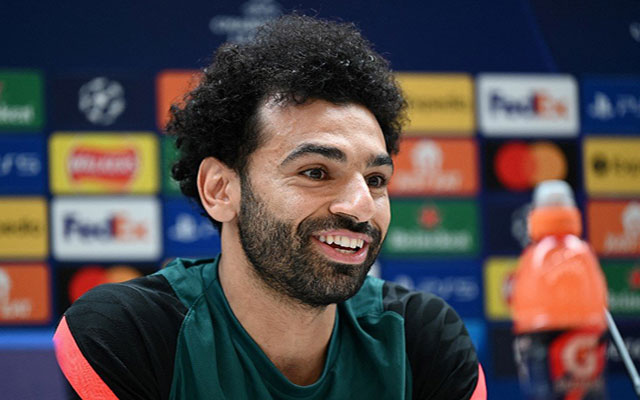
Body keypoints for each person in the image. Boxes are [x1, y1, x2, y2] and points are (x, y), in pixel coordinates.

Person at [54, 14, 486, 400]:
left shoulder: (420, 336)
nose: (360, 207)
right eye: (316, 172)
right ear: (220, 190)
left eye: (375, 180)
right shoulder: (129, 332)